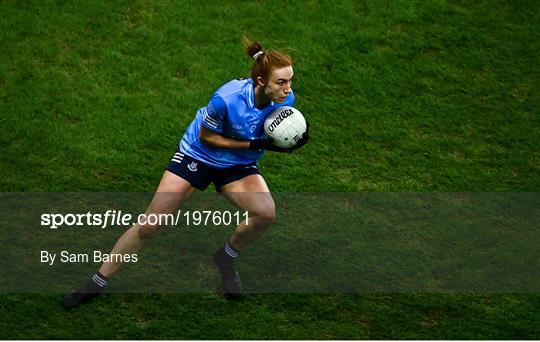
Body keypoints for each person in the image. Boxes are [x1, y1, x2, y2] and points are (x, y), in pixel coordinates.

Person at [62, 37, 309, 308]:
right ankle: (97, 282)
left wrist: (287, 143)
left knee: (266, 213)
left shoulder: (285, 101)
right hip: (198, 155)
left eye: (290, 81)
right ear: (261, 81)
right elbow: (207, 137)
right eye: (281, 82)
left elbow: (271, 134)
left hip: (237, 165)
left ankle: (226, 256)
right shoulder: (227, 99)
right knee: (150, 224)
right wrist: (254, 144)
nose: (288, 89)